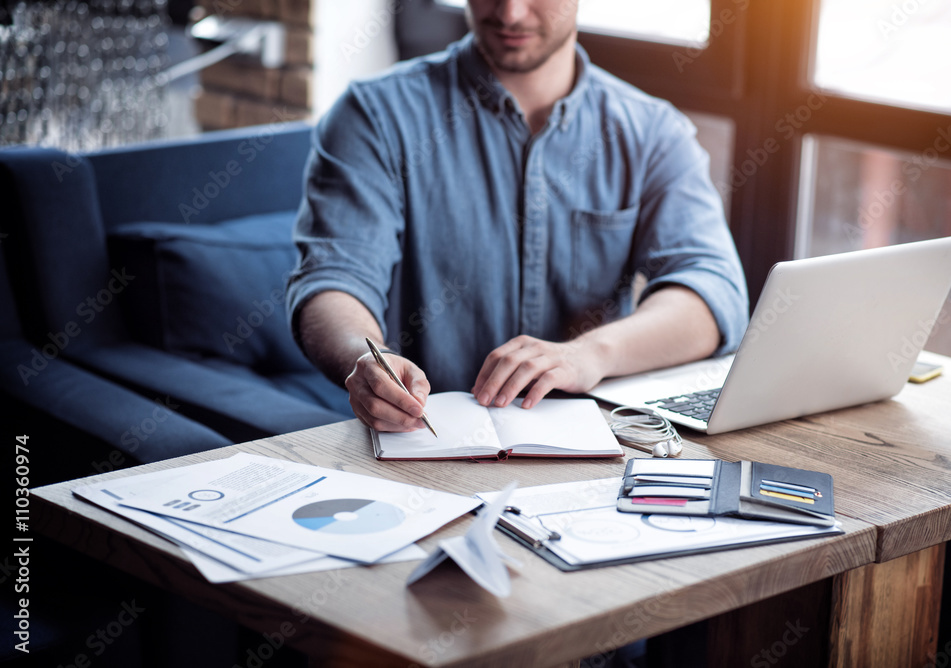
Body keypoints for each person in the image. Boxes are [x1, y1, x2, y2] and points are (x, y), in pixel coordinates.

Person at [286, 0, 748, 434]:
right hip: (425, 444)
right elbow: (333, 279)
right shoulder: (374, 115)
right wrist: (366, 360)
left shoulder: (652, 132)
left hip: (594, 448)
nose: (509, 12)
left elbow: (713, 291)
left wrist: (591, 354)